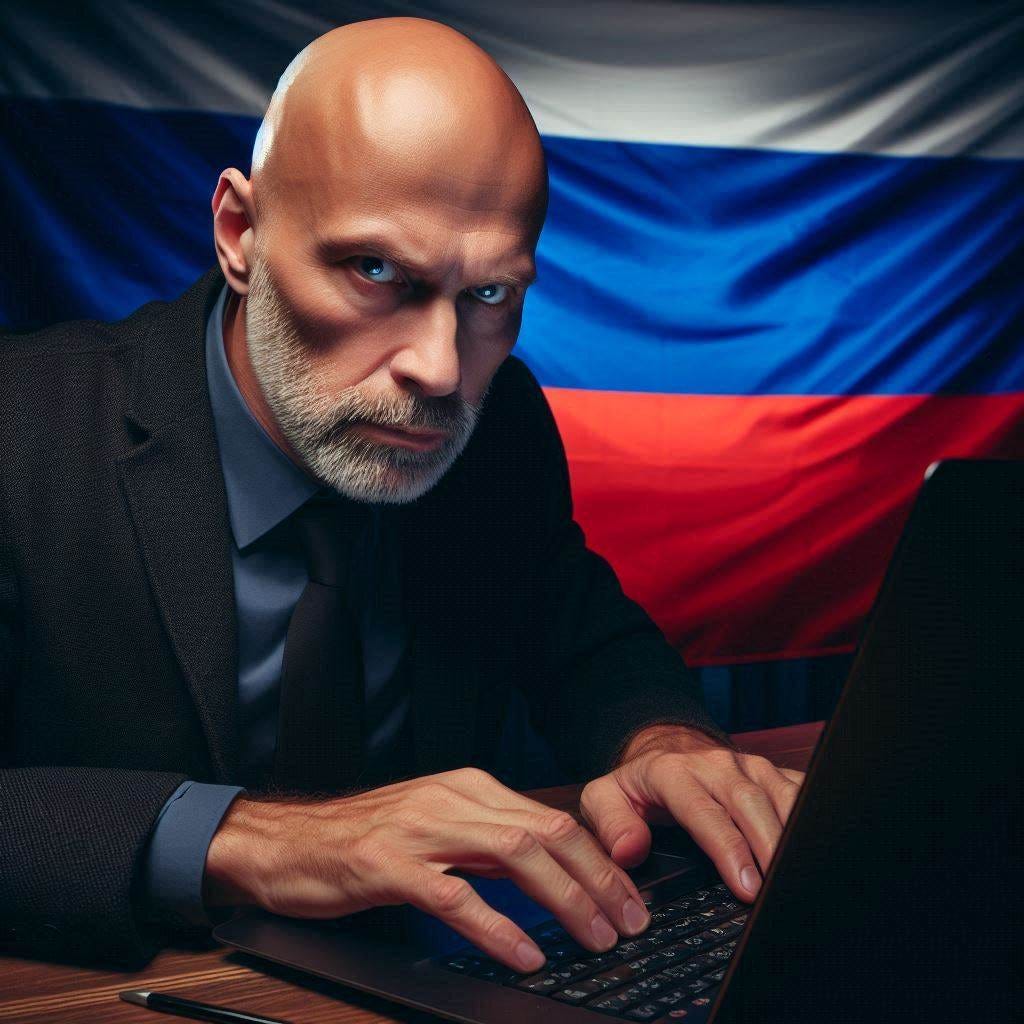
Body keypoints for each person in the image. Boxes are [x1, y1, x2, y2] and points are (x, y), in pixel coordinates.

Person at [0, 17, 804, 972]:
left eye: (490, 297)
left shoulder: (499, 425)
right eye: (375, 270)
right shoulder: (26, 429)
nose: (437, 369)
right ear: (241, 233)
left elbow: (579, 632)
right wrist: (255, 842)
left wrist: (662, 739)